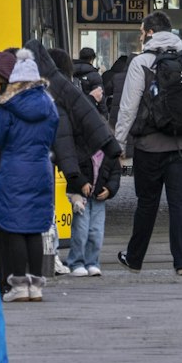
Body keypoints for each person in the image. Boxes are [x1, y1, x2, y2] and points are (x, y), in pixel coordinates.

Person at [114, 11, 182, 275]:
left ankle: (135, 259)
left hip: (149, 146)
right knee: (180, 202)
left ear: (149, 32)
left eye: (140, 31)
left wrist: (119, 144)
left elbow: (128, 108)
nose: (139, 36)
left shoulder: (142, 63)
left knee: (147, 202)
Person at [33, 43, 121, 280]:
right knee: (85, 227)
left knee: (90, 228)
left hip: (77, 178)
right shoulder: (68, 92)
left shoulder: (50, 92)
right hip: (81, 184)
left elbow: (65, 144)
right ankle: (75, 260)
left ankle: (81, 260)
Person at [0, 48, 60, 302]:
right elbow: (52, 136)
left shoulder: (7, 107)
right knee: (35, 228)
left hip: (13, 170)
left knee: (15, 228)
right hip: (40, 169)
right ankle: (36, 286)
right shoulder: (49, 106)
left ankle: (18, 285)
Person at [66, 67, 121, 276]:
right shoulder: (81, 149)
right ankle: (76, 261)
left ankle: (92, 261)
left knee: (96, 231)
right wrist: (80, 184)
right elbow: (73, 168)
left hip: (99, 195)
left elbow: (115, 173)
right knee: (80, 230)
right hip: (82, 193)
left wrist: (111, 189)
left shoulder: (109, 153)